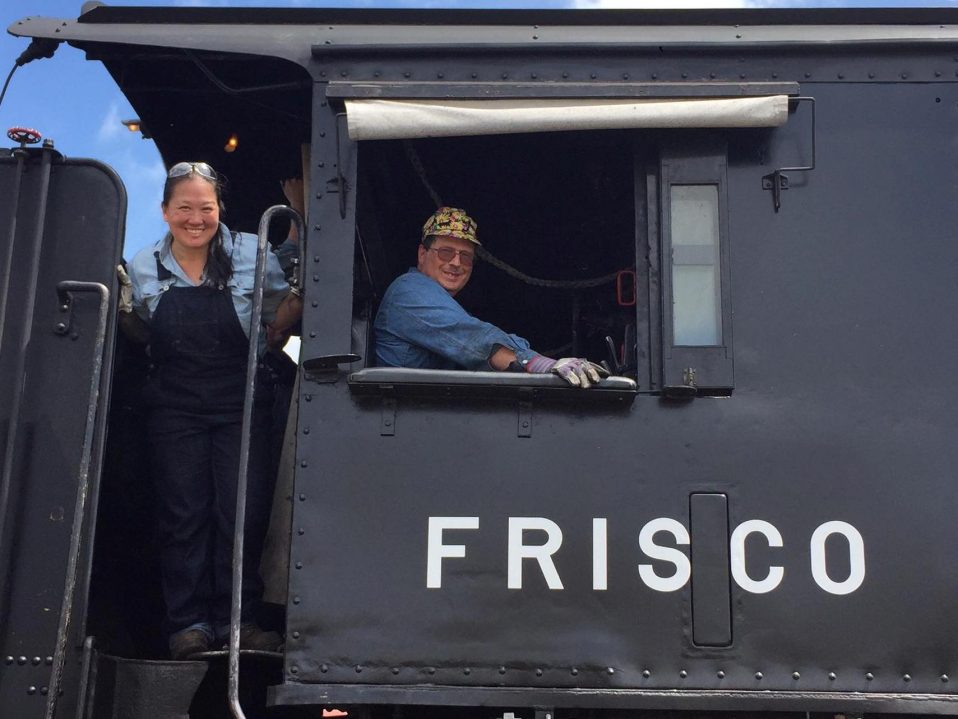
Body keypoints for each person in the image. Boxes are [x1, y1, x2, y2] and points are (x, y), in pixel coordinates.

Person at [116, 161, 303, 659]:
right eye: (184, 208)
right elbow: (139, 331)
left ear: (220, 209)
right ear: (164, 211)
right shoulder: (141, 266)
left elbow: (277, 321)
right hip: (175, 407)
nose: (195, 219)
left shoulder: (253, 253)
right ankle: (190, 624)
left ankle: (239, 623)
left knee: (242, 512)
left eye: (206, 208)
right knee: (184, 513)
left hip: (240, 401)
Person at [374, 207, 606, 388]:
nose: (456, 263)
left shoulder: (439, 299)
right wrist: (539, 364)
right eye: (446, 252)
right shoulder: (409, 291)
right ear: (422, 254)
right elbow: (473, 338)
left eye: (465, 257)